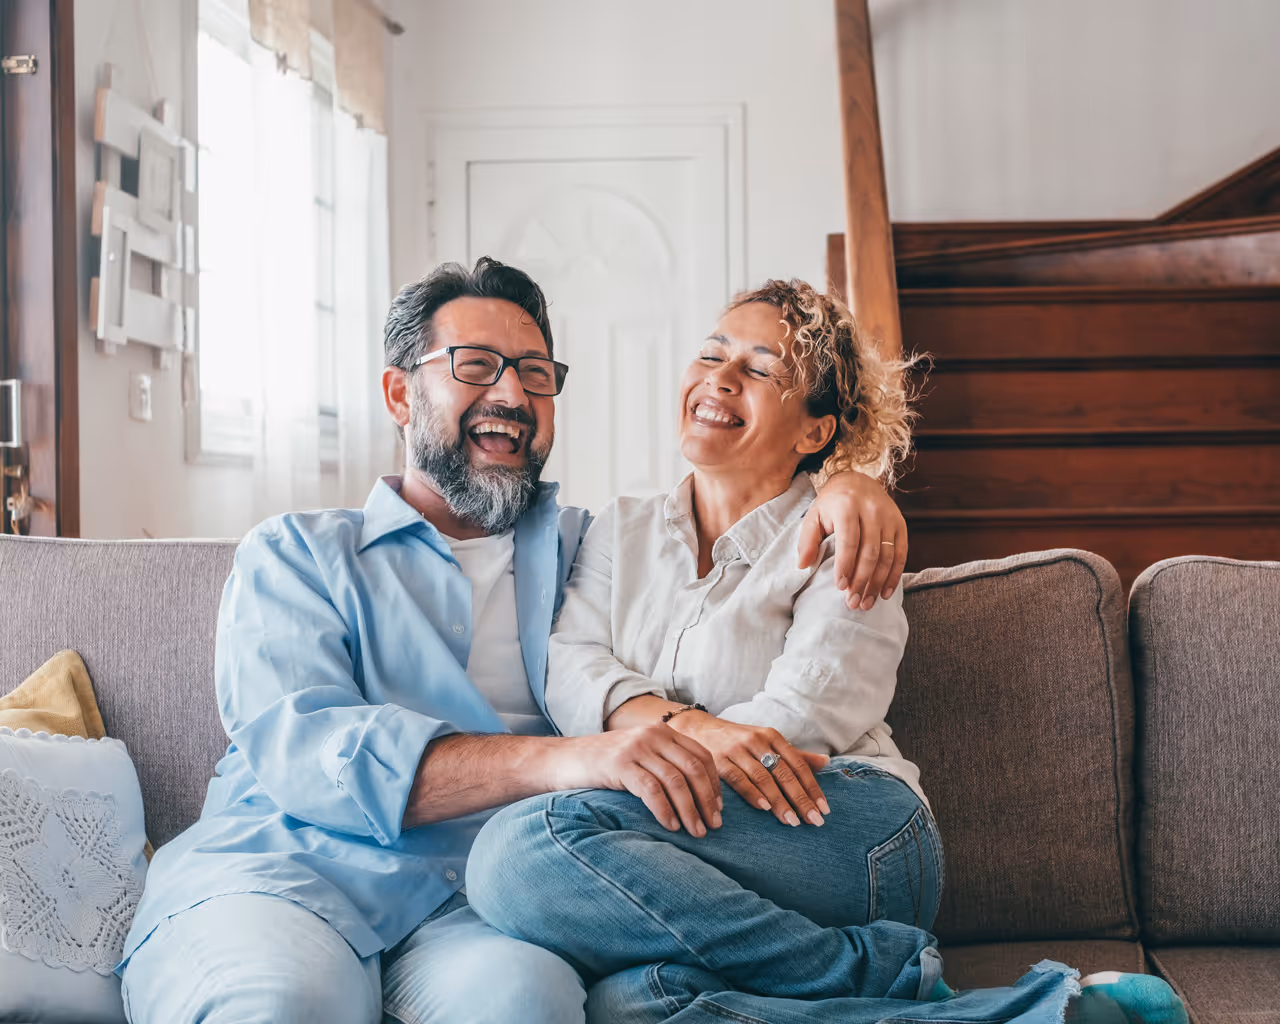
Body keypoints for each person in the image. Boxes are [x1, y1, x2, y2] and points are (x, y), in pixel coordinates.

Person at [117, 258, 910, 1024]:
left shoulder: (584, 547)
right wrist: (575, 758)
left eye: (535, 373)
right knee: (283, 1007)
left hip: (475, 903)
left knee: (530, 1004)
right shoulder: (294, 553)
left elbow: (750, 501)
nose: (511, 392)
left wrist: (851, 484)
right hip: (285, 877)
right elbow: (309, 750)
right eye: (475, 365)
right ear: (399, 393)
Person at [462, 279, 1188, 1024]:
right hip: (694, 837)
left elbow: (801, 719)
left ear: (815, 433)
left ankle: (888, 975)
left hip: (843, 822)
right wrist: (688, 729)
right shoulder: (623, 527)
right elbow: (573, 666)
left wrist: (651, 747)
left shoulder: (848, 529)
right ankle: (1031, 1016)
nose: (720, 377)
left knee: (520, 850)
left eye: (760, 368)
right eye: (712, 354)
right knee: (632, 1003)